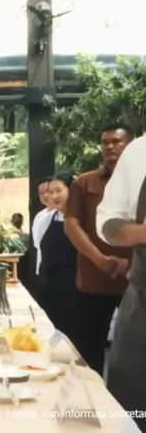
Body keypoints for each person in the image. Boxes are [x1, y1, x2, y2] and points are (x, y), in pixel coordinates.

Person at [64, 123, 133, 375]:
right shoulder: (84, 183)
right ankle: (90, 407)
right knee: (88, 351)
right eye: (105, 142)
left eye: (117, 141)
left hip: (136, 283)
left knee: (135, 353)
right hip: (94, 282)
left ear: (132, 145)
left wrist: (134, 265)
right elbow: (71, 226)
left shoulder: (141, 183)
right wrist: (100, 259)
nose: (110, 146)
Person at [96, 133, 146, 429]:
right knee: (131, 413)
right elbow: (108, 222)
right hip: (142, 306)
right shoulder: (139, 151)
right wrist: (140, 234)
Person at [38, 174, 80, 343]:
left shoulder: (81, 219)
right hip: (50, 290)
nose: (53, 196)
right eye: (50, 192)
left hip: (75, 292)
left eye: (58, 191)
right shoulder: (47, 218)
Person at [30, 176, 56, 296]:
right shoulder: (39, 215)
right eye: (41, 193)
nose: (45, 196)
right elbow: (36, 242)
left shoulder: (60, 214)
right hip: (41, 266)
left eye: (48, 192)